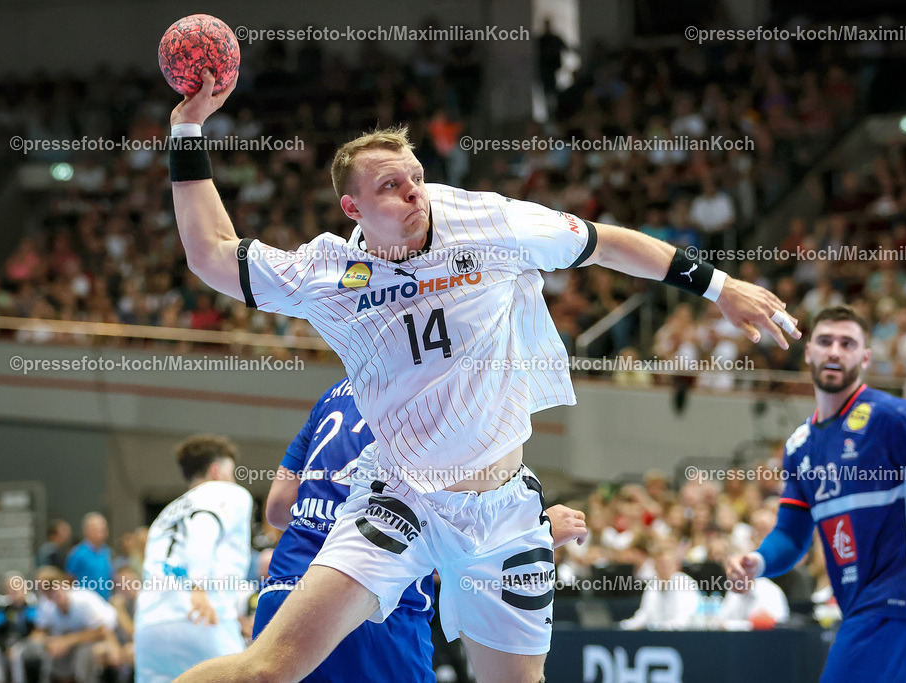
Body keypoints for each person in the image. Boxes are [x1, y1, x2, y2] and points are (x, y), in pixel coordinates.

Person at [169, 72, 799, 683]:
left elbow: (607, 242)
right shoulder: (329, 275)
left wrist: (720, 288)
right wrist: (189, 129)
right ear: (352, 206)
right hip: (400, 503)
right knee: (268, 670)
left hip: (504, 514)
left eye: (417, 176)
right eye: (391, 185)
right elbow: (212, 254)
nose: (414, 192)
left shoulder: (490, 223)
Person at [727, 305, 906, 681]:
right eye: (825, 341)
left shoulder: (891, 417)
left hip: (894, 606)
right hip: (879, 613)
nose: (835, 351)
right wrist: (757, 562)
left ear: (865, 357)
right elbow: (791, 535)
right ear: (808, 353)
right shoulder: (800, 446)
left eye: (847, 343)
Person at [257, 376, 588, 681]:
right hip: (375, 604)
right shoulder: (442, 396)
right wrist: (529, 532)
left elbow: (278, 506)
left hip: (286, 593)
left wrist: (330, 518)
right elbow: (456, 521)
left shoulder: (333, 395)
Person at [134, 435, 253, 682]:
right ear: (216, 470)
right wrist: (197, 586)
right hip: (199, 614)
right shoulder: (226, 492)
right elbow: (203, 529)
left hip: (150, 623)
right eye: (231, 472)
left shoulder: (166, 513)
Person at [18, 566, 118, 682]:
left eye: (51, 586)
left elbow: (102, 630)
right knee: (50, 654)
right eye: (45, 589)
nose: (51, 592)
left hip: (110, 635)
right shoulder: (47, 605)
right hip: (74, 642)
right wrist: (50, 643)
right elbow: (40, 632)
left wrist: (67, 640)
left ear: (64, 584)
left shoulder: (83, 599)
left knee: (84, 655)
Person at [65, 513, 113, 600]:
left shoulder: (107, 551)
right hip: (85, 602)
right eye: (97, 530)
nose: (102, 533)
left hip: (105, 601)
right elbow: (69, 580)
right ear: (87, 531)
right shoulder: (77, 554)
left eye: (103, 529)